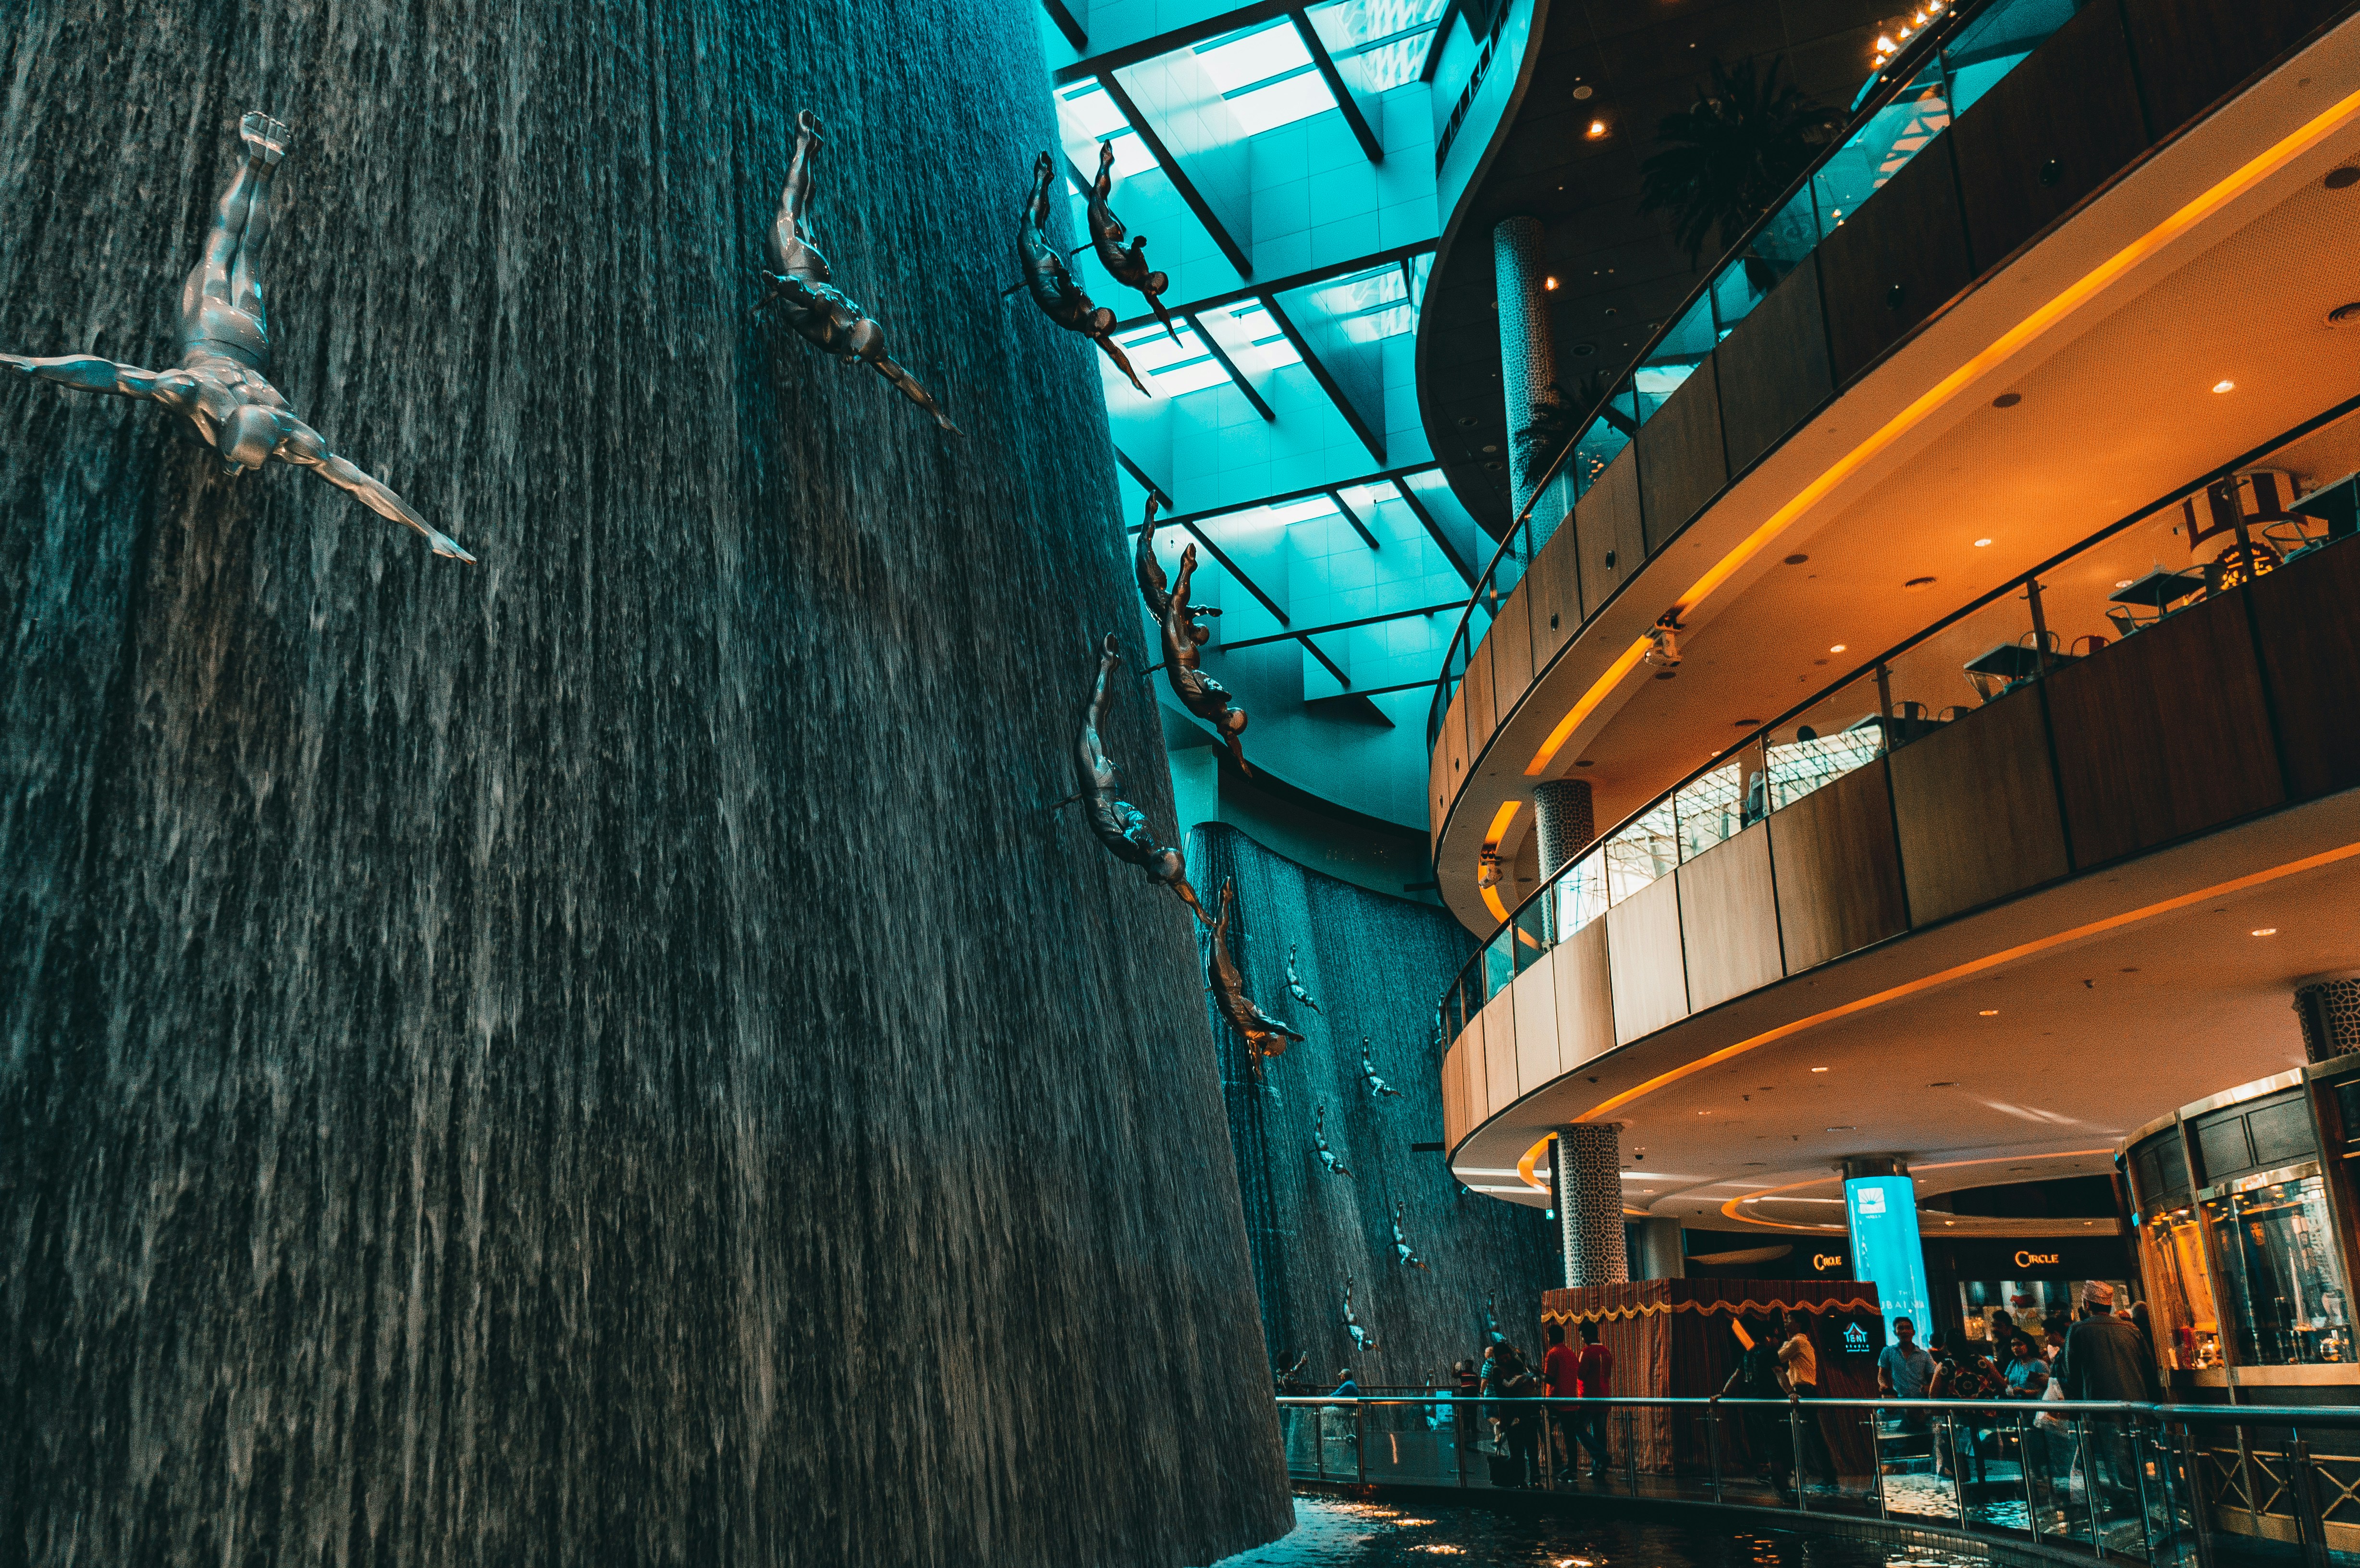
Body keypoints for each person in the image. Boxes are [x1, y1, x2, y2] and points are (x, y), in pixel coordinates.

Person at [3, 113, 473, 561]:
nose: (242, 466)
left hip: (241, 340)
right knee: (231, 247)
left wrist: (27, 362)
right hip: (218, 332)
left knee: (233, 248)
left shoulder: (220, 405)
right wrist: (29, 364)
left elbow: (114, 376)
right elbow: (359, 483)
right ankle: (258, 164)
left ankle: (259, 164)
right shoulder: (265, 424)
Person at [753, 110, 958, 430]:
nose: (853, 361)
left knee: (804, 210)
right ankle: (804, 144)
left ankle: (811, 152)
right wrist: (776, 281)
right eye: (854, 354)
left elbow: (902, 378)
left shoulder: (868, 344)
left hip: (817, 269)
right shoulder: (836, 317)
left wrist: (936, 412)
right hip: (794, 265)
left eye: (859, 357)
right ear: (852, 335)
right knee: (788, 208)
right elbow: (805, 296)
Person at [1066, 637, 1203, 914]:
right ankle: (1106, 665)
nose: (1163, 884)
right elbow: (1129, 830)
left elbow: (1181, 885)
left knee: (1096, 720)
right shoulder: (1137, 848)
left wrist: (1200, 911)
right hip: (1099, 787)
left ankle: (1108, 667)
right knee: (1091, 720)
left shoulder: (1156, 844)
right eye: (1163, 880)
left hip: (1114, 786)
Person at [1134, 495, 1252, 772]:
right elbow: (1211, 688)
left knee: (1174, 601)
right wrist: (1241, 761)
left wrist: (1242, 759)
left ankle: (1186, 567)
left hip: (1180, 659)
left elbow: (1214, 692)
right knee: (1175, 604)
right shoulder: (1215, 712)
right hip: (1181, 659)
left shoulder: (1217, 707)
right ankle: (1185, 566)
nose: (1229, 730)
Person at [1017, 152, 1146, 393]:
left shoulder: (1093, 321)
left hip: (1046, 270)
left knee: (1036, 225)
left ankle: (1044, 179)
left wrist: (1133, 378)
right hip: (1042, 270)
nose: (1092, 336)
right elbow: (1070, 291)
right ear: (1096, 317)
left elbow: (1115, 352)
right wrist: (1066, 281)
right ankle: (1041, 178)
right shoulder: (1086, 313)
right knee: (1031, 223)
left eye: (1097, 333)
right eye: (1096, 329)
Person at [2057, 1280, 2154, 1509]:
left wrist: (2076, 1410)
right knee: (2135, 1455)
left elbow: (2070, 1375)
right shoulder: (2131, 1329)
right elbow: (2149, 1370)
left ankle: (2129, 1504)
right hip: (2137, 1406)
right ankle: (2142, 1502)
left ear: (2087, 1303)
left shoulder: (2079, 1330)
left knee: (2113, 1459)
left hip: (2099, 1408)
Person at [1082, 139, 1180, 341]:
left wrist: (1169, 327)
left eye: (1154, 292)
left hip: (1108, 239)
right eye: (1153, 288)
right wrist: (1137, 244)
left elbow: (1159, 309)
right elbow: (1135, 252)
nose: (1151, 293)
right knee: (1097, 196)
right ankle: (1106, 162)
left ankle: (1106, 164)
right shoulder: (1142, 269)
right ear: (1152, 277)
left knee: (1099, 197)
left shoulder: (1147, 290)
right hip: (1106, 235)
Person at [1205, 879, 1304, 1076]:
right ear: (1274, 1042)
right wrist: (1291, 1033)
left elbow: (1254, 1052)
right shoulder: (1262, 1025)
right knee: (1217, 936)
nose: (1272, 1056)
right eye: (1274, 1054)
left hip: (1221, 989)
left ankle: (1225, 900)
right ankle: (1225, 898)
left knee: (1217, 936)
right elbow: (1275, 1024)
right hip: (1227, 984)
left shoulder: (1255, 1037)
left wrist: (1257, 1068)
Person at [1723, 1319, 1793, 1492]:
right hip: (1771, 1408)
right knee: (1779, 1449)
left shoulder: (1748, 1354)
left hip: (1755, 1409)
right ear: (1768, 1338)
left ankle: (1780, 1483)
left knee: (1771, 1448)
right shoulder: (1769, 1353)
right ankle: (1784, 1490)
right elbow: (1779, 1373)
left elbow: (1736, 1376)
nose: (1778, 1342)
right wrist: (1791, 1392)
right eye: (1776, 1338)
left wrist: (1723, 1394)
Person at [1776, 1311, 1840, 1491]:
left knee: (1814, 1436)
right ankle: (1821, 1475)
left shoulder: (1797, 1342)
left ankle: (1829, 1477)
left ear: (1798, 1324)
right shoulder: (1799, 1343)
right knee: (1809, 1436)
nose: (1785, 1321)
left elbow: (1776, 1358)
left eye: (1789, 1319)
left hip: (1803, 1392)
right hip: (1803, 1391)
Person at [1929, 1328, 1999, 1483]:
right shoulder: (1982, 1361)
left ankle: (1966, 1488)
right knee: (1985, 1454)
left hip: (1958, 1419)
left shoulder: (1945, 1365)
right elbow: (2000, 1383)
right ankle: (1988, 1485)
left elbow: (1933, 1395)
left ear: (1947, 1345)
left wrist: (1937, 1419)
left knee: (1960, 1454)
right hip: (1986, 1416)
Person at [1486, 1341, 1542, 1487]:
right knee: (1517, 1451)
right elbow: (1501, 1395)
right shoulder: (1497, 1371)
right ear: (1497, 1359)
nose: (1505, 1361)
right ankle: (1520, 1480)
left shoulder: (1518, 1365)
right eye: (1502, 1359)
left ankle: (1535, 1478)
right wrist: (1503, 1421)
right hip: (1513, 1415)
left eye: (1507, 1357)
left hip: (1527, 1413)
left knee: (1531, 1447)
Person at [1572, 1319, 1616, 1480]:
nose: (1583, 1339)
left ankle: (1601, 1456)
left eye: (1583, 1336)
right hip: (1605, 1397)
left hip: (1588, 1398)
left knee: (1577, 1428)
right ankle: (1599, 1469)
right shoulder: (1606, 1351)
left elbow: (1581, 1375)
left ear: (1589, 1335)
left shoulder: (1587, 1352)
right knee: (1600, 1434)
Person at [1543, 1323, 1581, 1480]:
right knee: (1570, 1436)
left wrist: (1539, 1374)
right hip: (1571, 1399)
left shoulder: (1553, 1354)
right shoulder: (1570, 1353)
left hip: (1555, 1400)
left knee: (1544, 1429)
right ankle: (1572, 1467)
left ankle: (1557, 1460)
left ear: (1550, 1337)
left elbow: (1551, 1379)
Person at [2004, 1332, 2052, 1399]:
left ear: (2029, 1345)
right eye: (2013, 1345)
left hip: (2033, 1405)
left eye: (2020, 1344)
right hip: (2015, 1404)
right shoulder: (2013, 1363)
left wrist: (2025, 1392)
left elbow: (2048, 1389)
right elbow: (2006, 1382)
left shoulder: (2039, 1364)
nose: (2016, 1348)